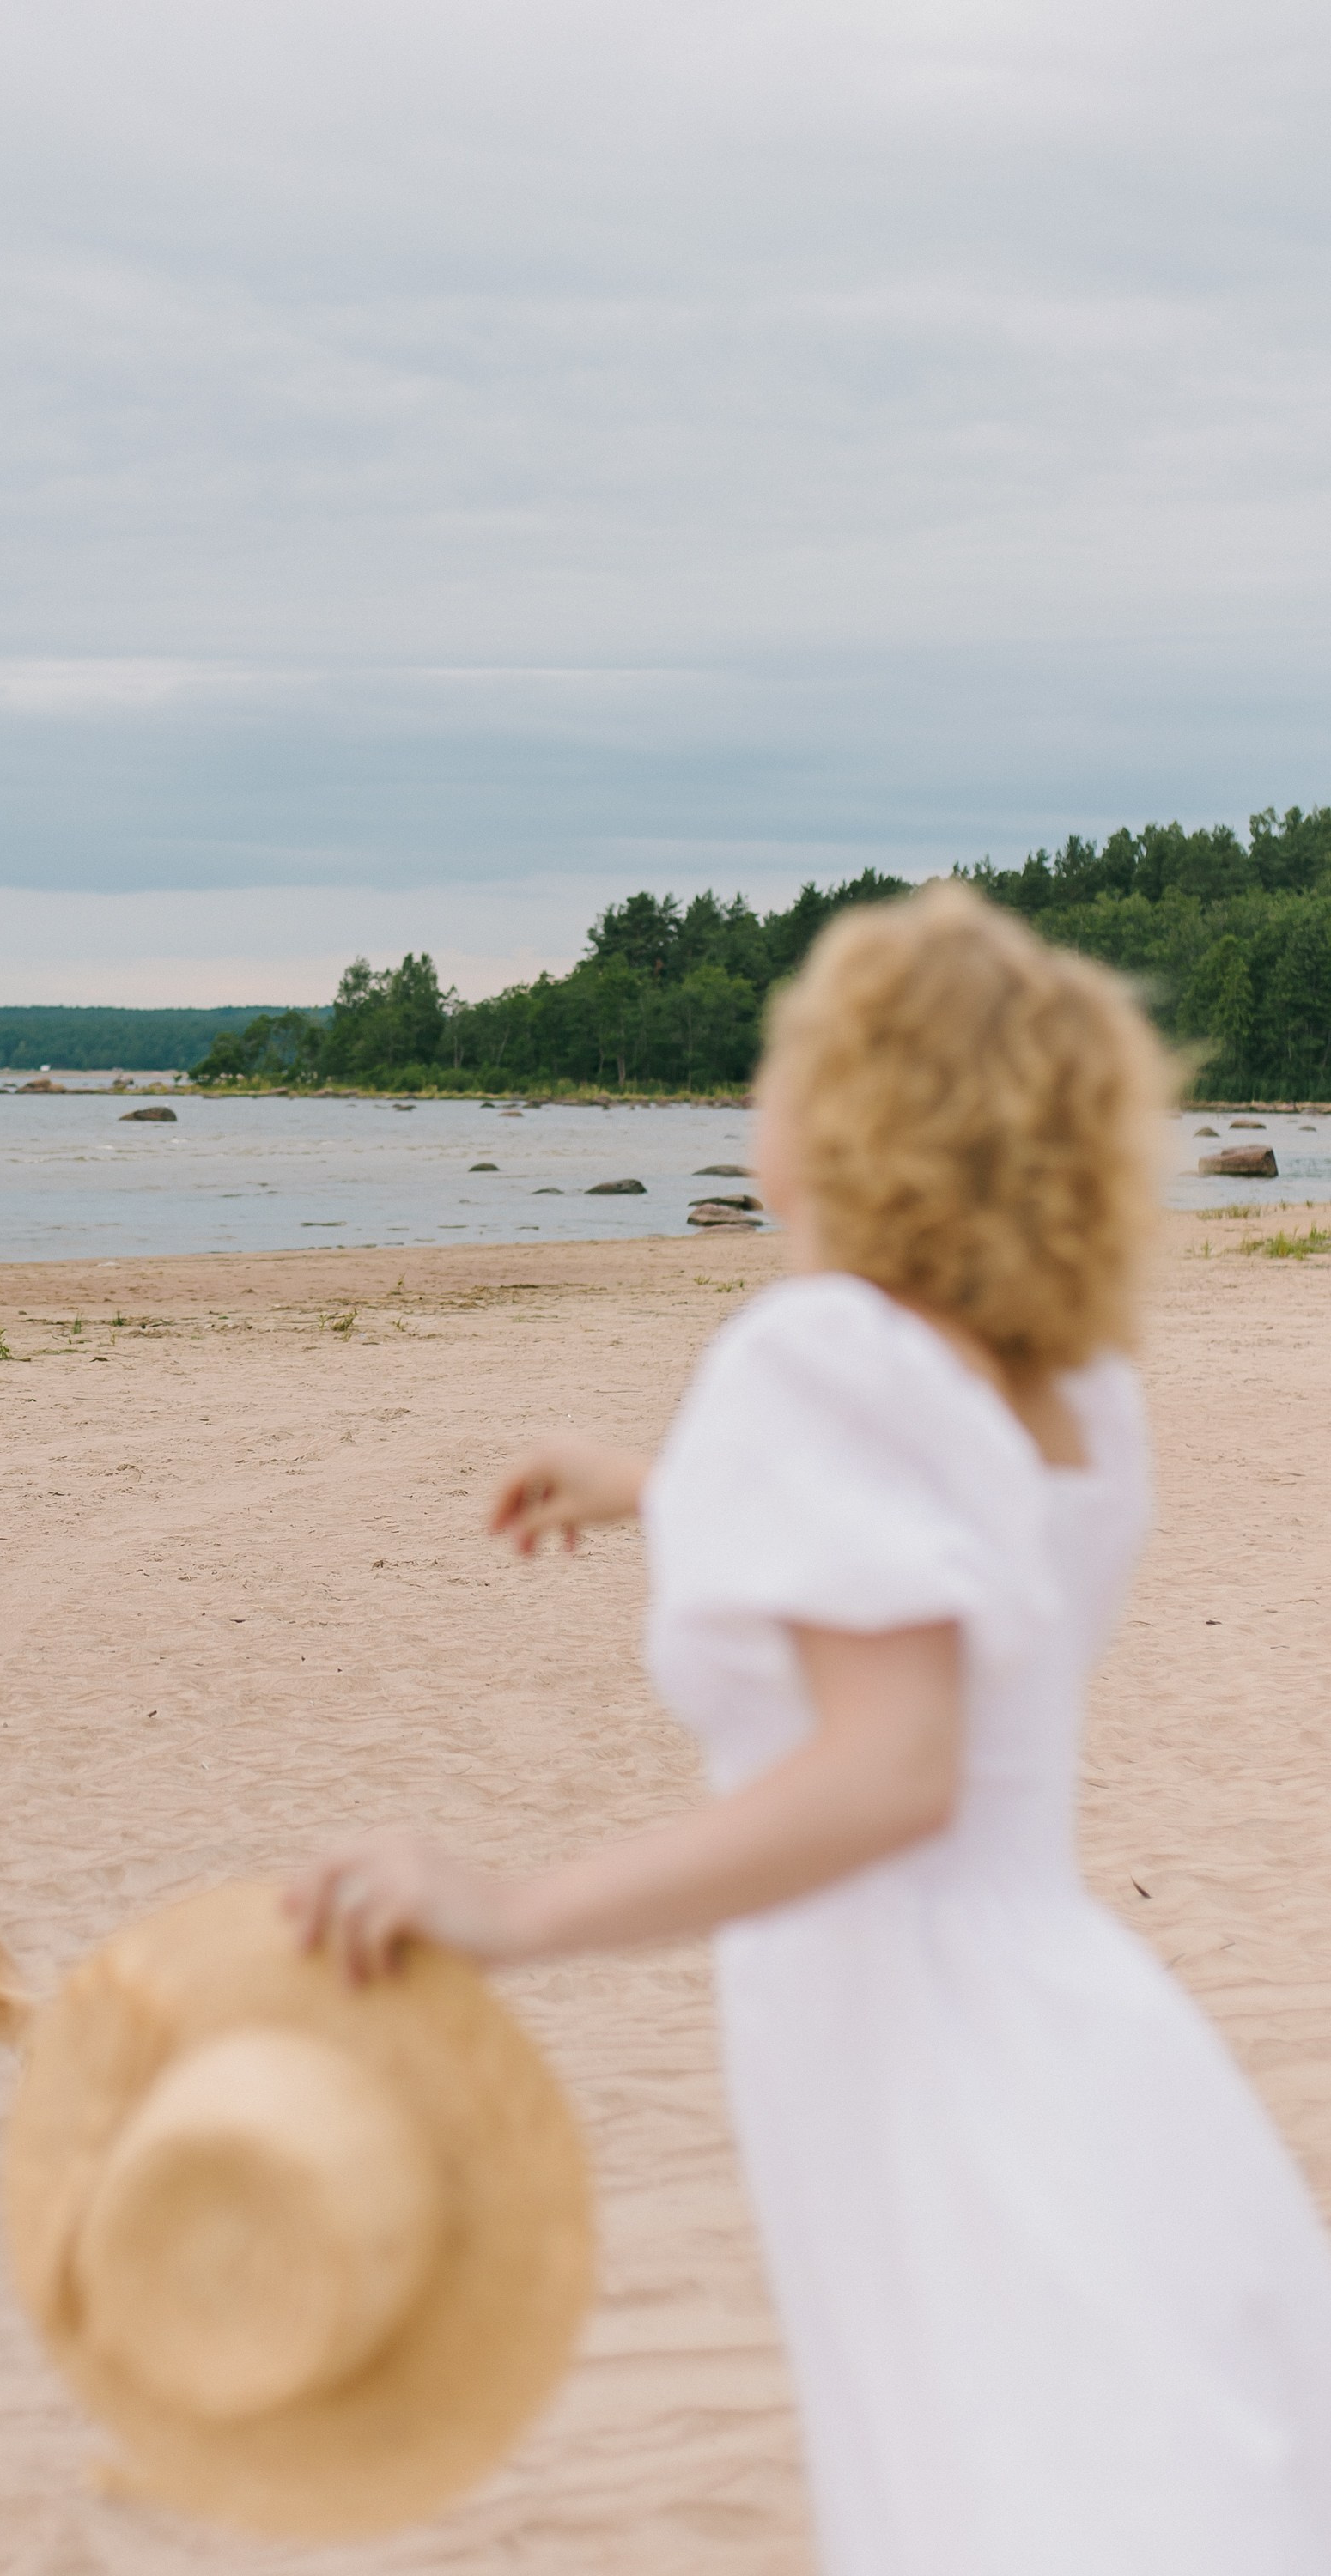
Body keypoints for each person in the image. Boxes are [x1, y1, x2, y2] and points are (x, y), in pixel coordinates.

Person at [289, 883, 1331, 2576]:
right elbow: (935, 1551)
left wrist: (518, 1912)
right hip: (1065, 2019)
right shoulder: (1062, 1378)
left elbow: (898, 1763)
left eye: (782, 1061)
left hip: (933, 2057)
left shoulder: (820, 1354)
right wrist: (654, 1487)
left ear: (857, 1110)